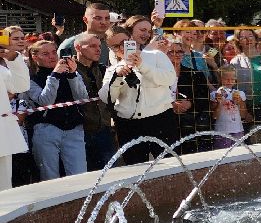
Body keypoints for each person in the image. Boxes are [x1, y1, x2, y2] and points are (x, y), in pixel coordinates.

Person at [100, 24, 179, 164]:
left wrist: (142, 66)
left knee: (170, 165)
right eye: (116, 47)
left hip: (160, 120)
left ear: (131, 39)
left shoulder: (156, 55)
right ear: (111, 49)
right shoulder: (113, 70)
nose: (122, 48)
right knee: (135, 168)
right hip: (129, 125)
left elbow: (169, 79)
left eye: (124, 43)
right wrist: (117, 78)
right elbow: (107, 97)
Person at [26, 41, 90, 180]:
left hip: (73, 128)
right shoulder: (31, 78)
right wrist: (54, 75)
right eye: (45, 54)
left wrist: (73, 74)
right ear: (34, 56)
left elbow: (83, 97)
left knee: (80, 175)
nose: (52, 56)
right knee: (49, 176)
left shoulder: (69, 71)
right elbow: (45, 101)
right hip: (46, 128)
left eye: (54, 52)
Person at [72, 32, 116, 171]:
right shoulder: (69, 69)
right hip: (80, 131)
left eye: (99, 46)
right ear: (78, 47)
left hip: (104, 129)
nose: (98, 49)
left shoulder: (103, 69)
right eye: (92, 46)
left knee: (110, 174)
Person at [0, 35, 34, 187]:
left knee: (4, 189)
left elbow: (21, 86)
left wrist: (12, 58)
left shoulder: (1, 70)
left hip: (2, 136)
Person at [210, 64, 248, 147]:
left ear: (235, 80)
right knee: (223, 155)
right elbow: (214, 116)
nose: (229, 81)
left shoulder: (240, 94)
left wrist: (240, 102)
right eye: (226, 79)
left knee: (239, 154)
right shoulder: (215, 95)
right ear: (220, 79)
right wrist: (219, 103)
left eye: (232, 79)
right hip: (222, 131)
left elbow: (243, 115)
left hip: (238, 130)